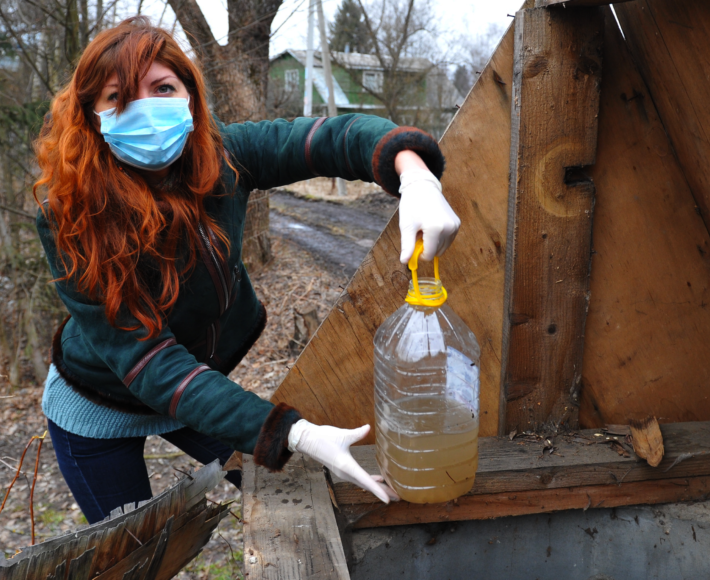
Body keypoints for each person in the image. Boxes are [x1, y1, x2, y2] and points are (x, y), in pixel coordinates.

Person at [33, 17, 460, 525]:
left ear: (189, 96)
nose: (144, 109)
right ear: (92, 115)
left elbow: (330, 137)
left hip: (198, 386)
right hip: (99, 403)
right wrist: (295, 431)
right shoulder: (70, 214)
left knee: (290, 490)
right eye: (117, 98)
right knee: (134, 552)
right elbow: (149, 363)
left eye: (162, 88)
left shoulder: (224, 158)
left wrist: (413, 175)